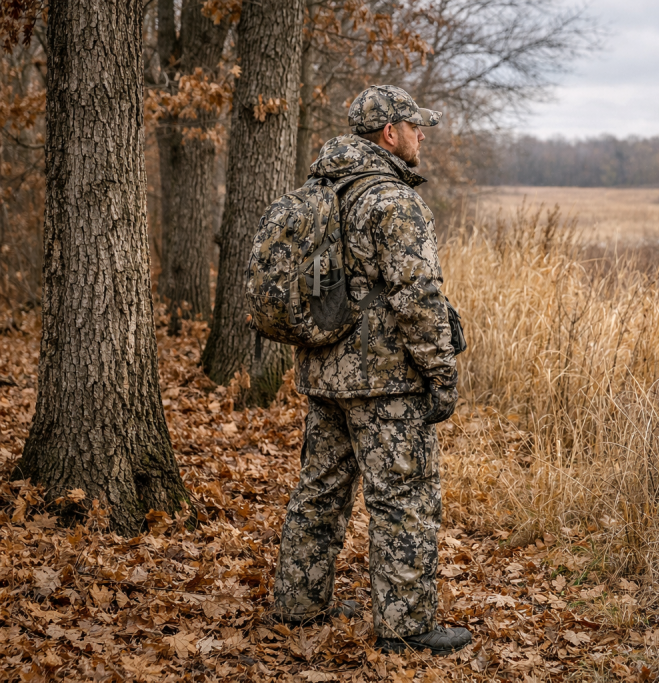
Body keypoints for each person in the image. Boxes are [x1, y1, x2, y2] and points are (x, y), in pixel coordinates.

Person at [270, 85, 470, 656]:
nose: (421, 134)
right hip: (384, 383)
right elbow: (418, 296)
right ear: (390, 133)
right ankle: (406, 629)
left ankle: (298, 605)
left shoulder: (322, 188)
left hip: (323, 375)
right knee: (403, 499)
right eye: (414, 126)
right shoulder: (392, 201)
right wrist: (440, 374)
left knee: (320, 491)